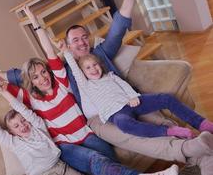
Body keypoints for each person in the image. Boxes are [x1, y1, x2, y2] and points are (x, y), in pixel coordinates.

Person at [0, 0, 213, 175]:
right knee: (132, 136)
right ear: (66, 46)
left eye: (83, 38)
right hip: (99, 118)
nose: (81, 43)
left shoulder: (100, 54)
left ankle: (201, 155)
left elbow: (117, 31)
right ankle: (190, 150)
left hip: (124, 100)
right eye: (74, 40)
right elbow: (18, 76)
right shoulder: (63, 71)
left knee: (158, 119)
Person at [62, 51, 213, 138]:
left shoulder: (111, 76)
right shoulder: (86, 85)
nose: (93, 69)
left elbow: (125, 85)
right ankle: (169, 131)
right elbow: (74, 69)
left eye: (95, 65)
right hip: (116, 114)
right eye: (88, 68)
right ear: (83, 73)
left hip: (132, 102)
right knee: (124, 124)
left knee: (166, 98)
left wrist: (133, 96)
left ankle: (202, 123)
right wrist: (66, 52)